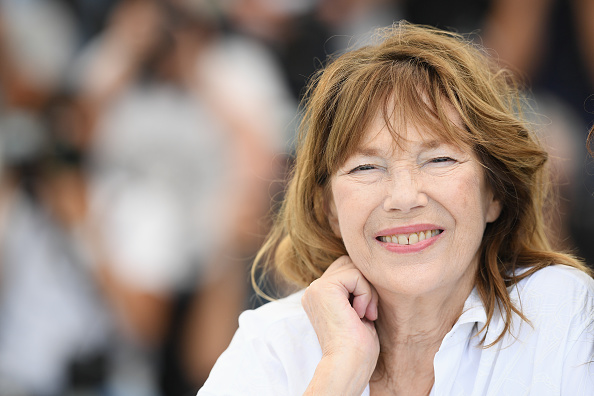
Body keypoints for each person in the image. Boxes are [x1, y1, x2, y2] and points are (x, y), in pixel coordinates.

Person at [198, 22, 594, 395]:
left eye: (439, 159)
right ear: (329, 208)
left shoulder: (566, 313)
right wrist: (339, 371)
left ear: (493, 193)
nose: (404, 198)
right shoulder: (274, 343)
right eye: (366, 167)